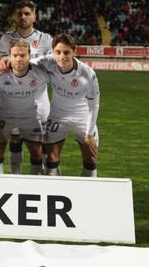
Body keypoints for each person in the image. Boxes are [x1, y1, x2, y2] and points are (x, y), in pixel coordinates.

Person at [0, 0, 53, 174]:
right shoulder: (7, 38)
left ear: (35, 16)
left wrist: (16, 60)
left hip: (38, 102)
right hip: (11, 99)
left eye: (27, 13)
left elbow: (51, 64)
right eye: (19, 14)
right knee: (13, 141)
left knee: (40, 147)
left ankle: (46, 182)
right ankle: (14, 178)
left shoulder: (45, 39)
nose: (23, 17)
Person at [33, 34, 101, 177]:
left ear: (74, 52)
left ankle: (86, 195)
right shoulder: (48, 62)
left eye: (66, 52)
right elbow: (28, 62)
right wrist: (7, 60)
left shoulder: (88, 74)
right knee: (51, 159)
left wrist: (89, 134)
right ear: (52, 51)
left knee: (91, 160)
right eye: (58, 52)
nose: (61, 56)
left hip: (83, 117)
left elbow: (94, 105)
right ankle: (54, 193)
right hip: (58, 116)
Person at [0, 38, 49, 174]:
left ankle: (37, 188)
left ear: (30, 56)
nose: (19, 59)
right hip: (4, 115)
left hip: (29, 116)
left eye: (22, 55)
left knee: (36, 152)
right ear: (9, 56)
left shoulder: (40, 74)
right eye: (15, 55)